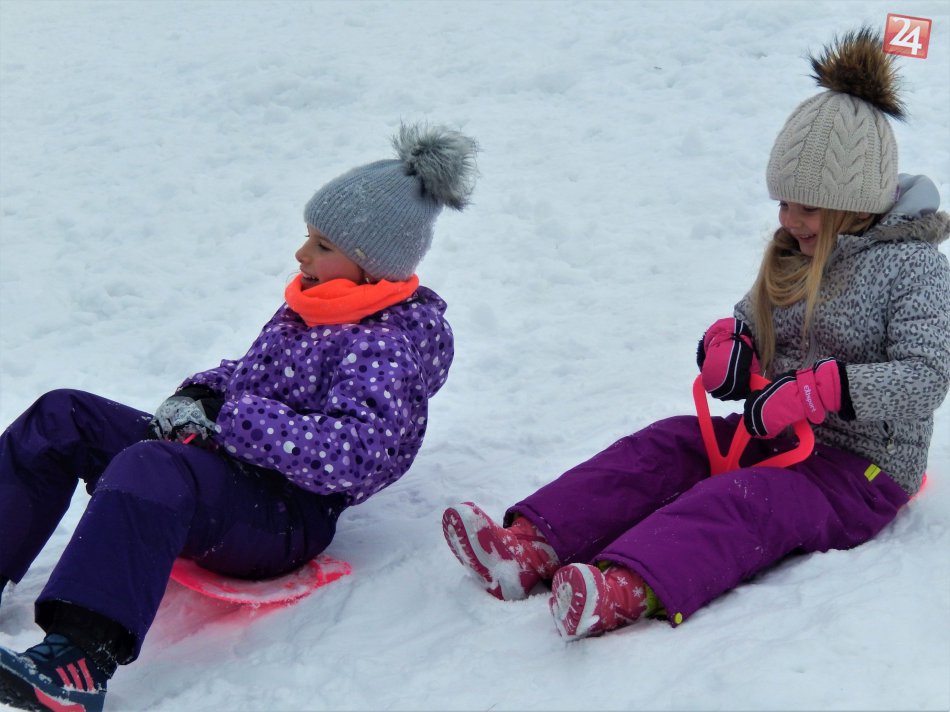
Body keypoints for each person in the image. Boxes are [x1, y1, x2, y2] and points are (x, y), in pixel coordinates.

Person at [443, 27, 949, 641]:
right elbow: (747, 318)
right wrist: (727, 345)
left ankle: (624, 589)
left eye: (807, 208)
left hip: (860, 472)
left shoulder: (915, 267)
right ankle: (530, 547)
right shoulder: (796, 249)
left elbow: (927, 376)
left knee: (748, 498)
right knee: (668, 445)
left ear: (854, 203)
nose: (789, 221)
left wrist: (818, 392)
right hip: (776, 432)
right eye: (783, 204)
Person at [0, 122, 478, 711]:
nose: (302, 254)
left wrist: (238, 422)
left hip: (284, 514)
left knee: (152, 467)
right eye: (307, 237)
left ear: (371, 265)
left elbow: (358, 454)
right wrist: (202, 396)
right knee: (63, 415)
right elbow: (252, 375)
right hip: (228, 471)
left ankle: (78, 661)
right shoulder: (315, 303)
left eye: (323, 246)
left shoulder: (384, 346)